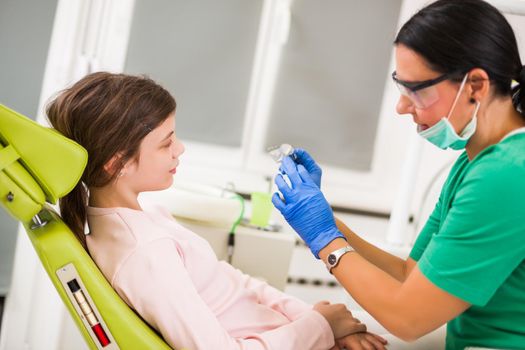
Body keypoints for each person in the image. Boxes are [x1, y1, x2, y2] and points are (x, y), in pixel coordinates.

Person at [46, 72, 388, 350]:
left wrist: (319, 320)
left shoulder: (146, 221)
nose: (179, 149)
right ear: (116, 164)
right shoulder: (146, 252)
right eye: (166, 143)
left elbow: (234, 283)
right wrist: (321, 326)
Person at [272, 0, 525, 349]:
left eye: (416, 90)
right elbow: (410, 276)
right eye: (400, 86)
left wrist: (325, 240)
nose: (402, 106)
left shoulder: (508, 174)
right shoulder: (476, 161)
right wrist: (323, 218)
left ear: (476, 86)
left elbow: (408, 318)